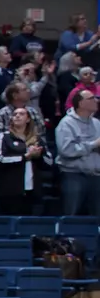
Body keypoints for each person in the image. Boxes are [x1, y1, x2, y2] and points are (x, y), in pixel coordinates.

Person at [55, 88, 100, 217]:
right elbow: (66, 150)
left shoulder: (97, 123)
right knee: (71, 214)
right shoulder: (66, 124)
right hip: (73, 175)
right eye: (92, 98)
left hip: (96, 175)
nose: (96, 100)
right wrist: (93, 145)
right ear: (81, 103)